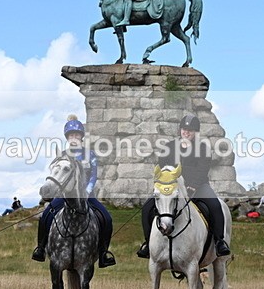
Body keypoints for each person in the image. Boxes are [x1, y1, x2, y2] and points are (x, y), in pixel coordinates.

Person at [137, 114, 231, 259]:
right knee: (147, 208)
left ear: (195, 132)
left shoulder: (203, 148)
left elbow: (202, 170)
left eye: (190, 130)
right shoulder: (169, 147)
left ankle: (219, 241)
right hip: (173, 187)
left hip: (198, 187)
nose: (186, 132)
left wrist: (192, 186)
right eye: (184, 129)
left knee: (215, 205)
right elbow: (162, 168)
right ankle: (147, 243)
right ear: (180, 130)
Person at [31, 116, 116, 268]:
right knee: (46, 215)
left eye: (77, 135)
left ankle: (104, 253)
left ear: (81, 137)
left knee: (107, 218)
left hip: (87, 196)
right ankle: (41, 248)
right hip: (65, 196)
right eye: (71, 135)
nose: (74, 138)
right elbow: (56, 174)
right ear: (67, 137)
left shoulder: (89, 154)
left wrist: (86, 192)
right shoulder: (62, 155)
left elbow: (94, 175)